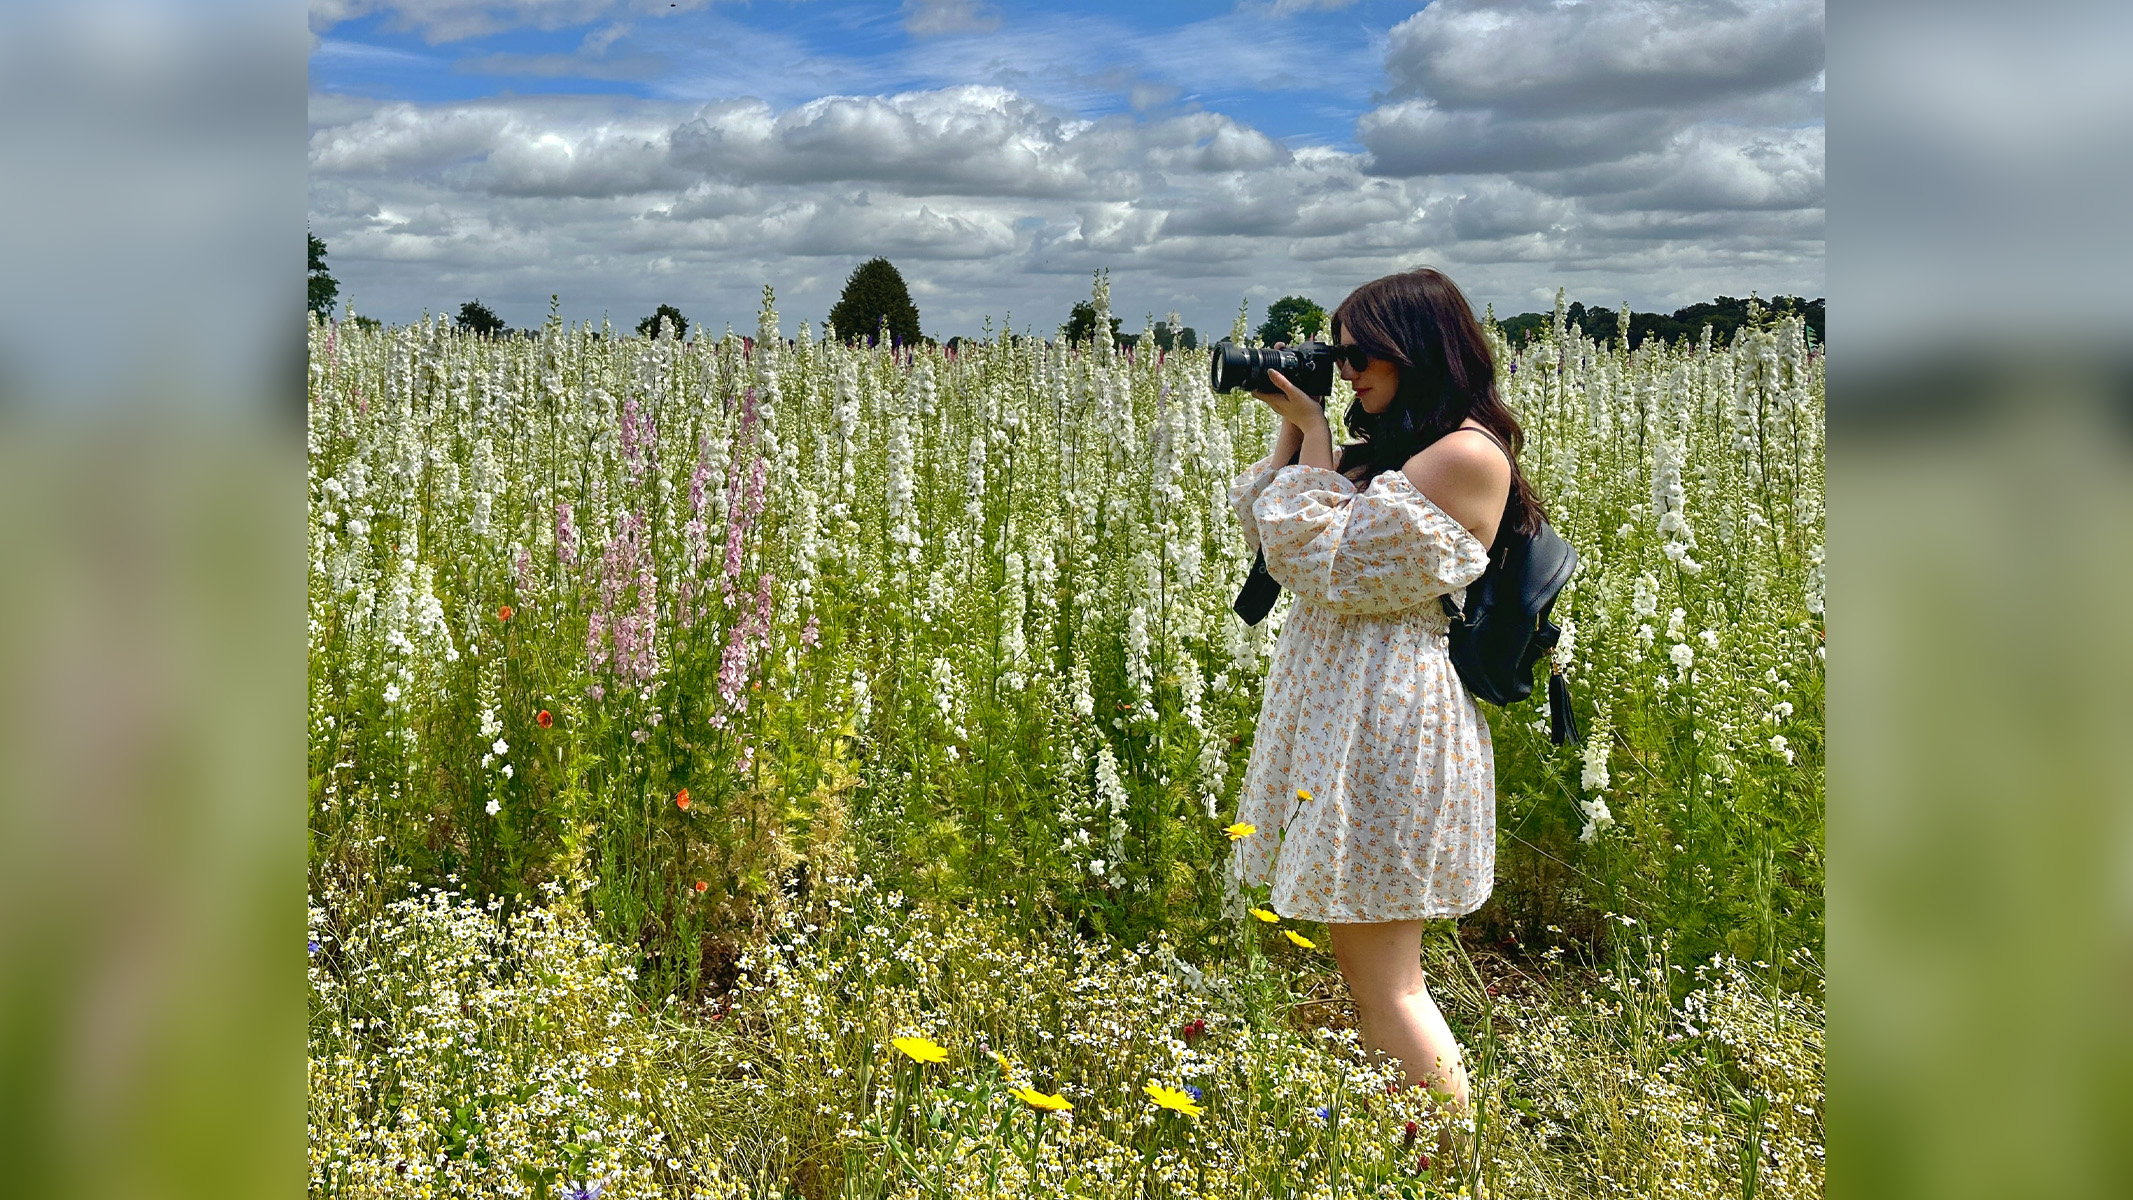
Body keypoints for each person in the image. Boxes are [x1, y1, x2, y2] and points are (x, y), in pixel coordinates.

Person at [1225, 266, 1547, 1112]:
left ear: (1422, 348)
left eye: (1364, 351)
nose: (1348, 366)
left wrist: (1314, 434)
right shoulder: (1405, 448)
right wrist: (1300, 434)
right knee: (1366, 976)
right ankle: (1413, 1150)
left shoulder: (1465, 455)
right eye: (1338, 351)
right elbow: (1267, 522)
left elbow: (1329, 565)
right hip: (1350, 714)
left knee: (1389, 985)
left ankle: (1450, 1166)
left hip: (1387, 722)